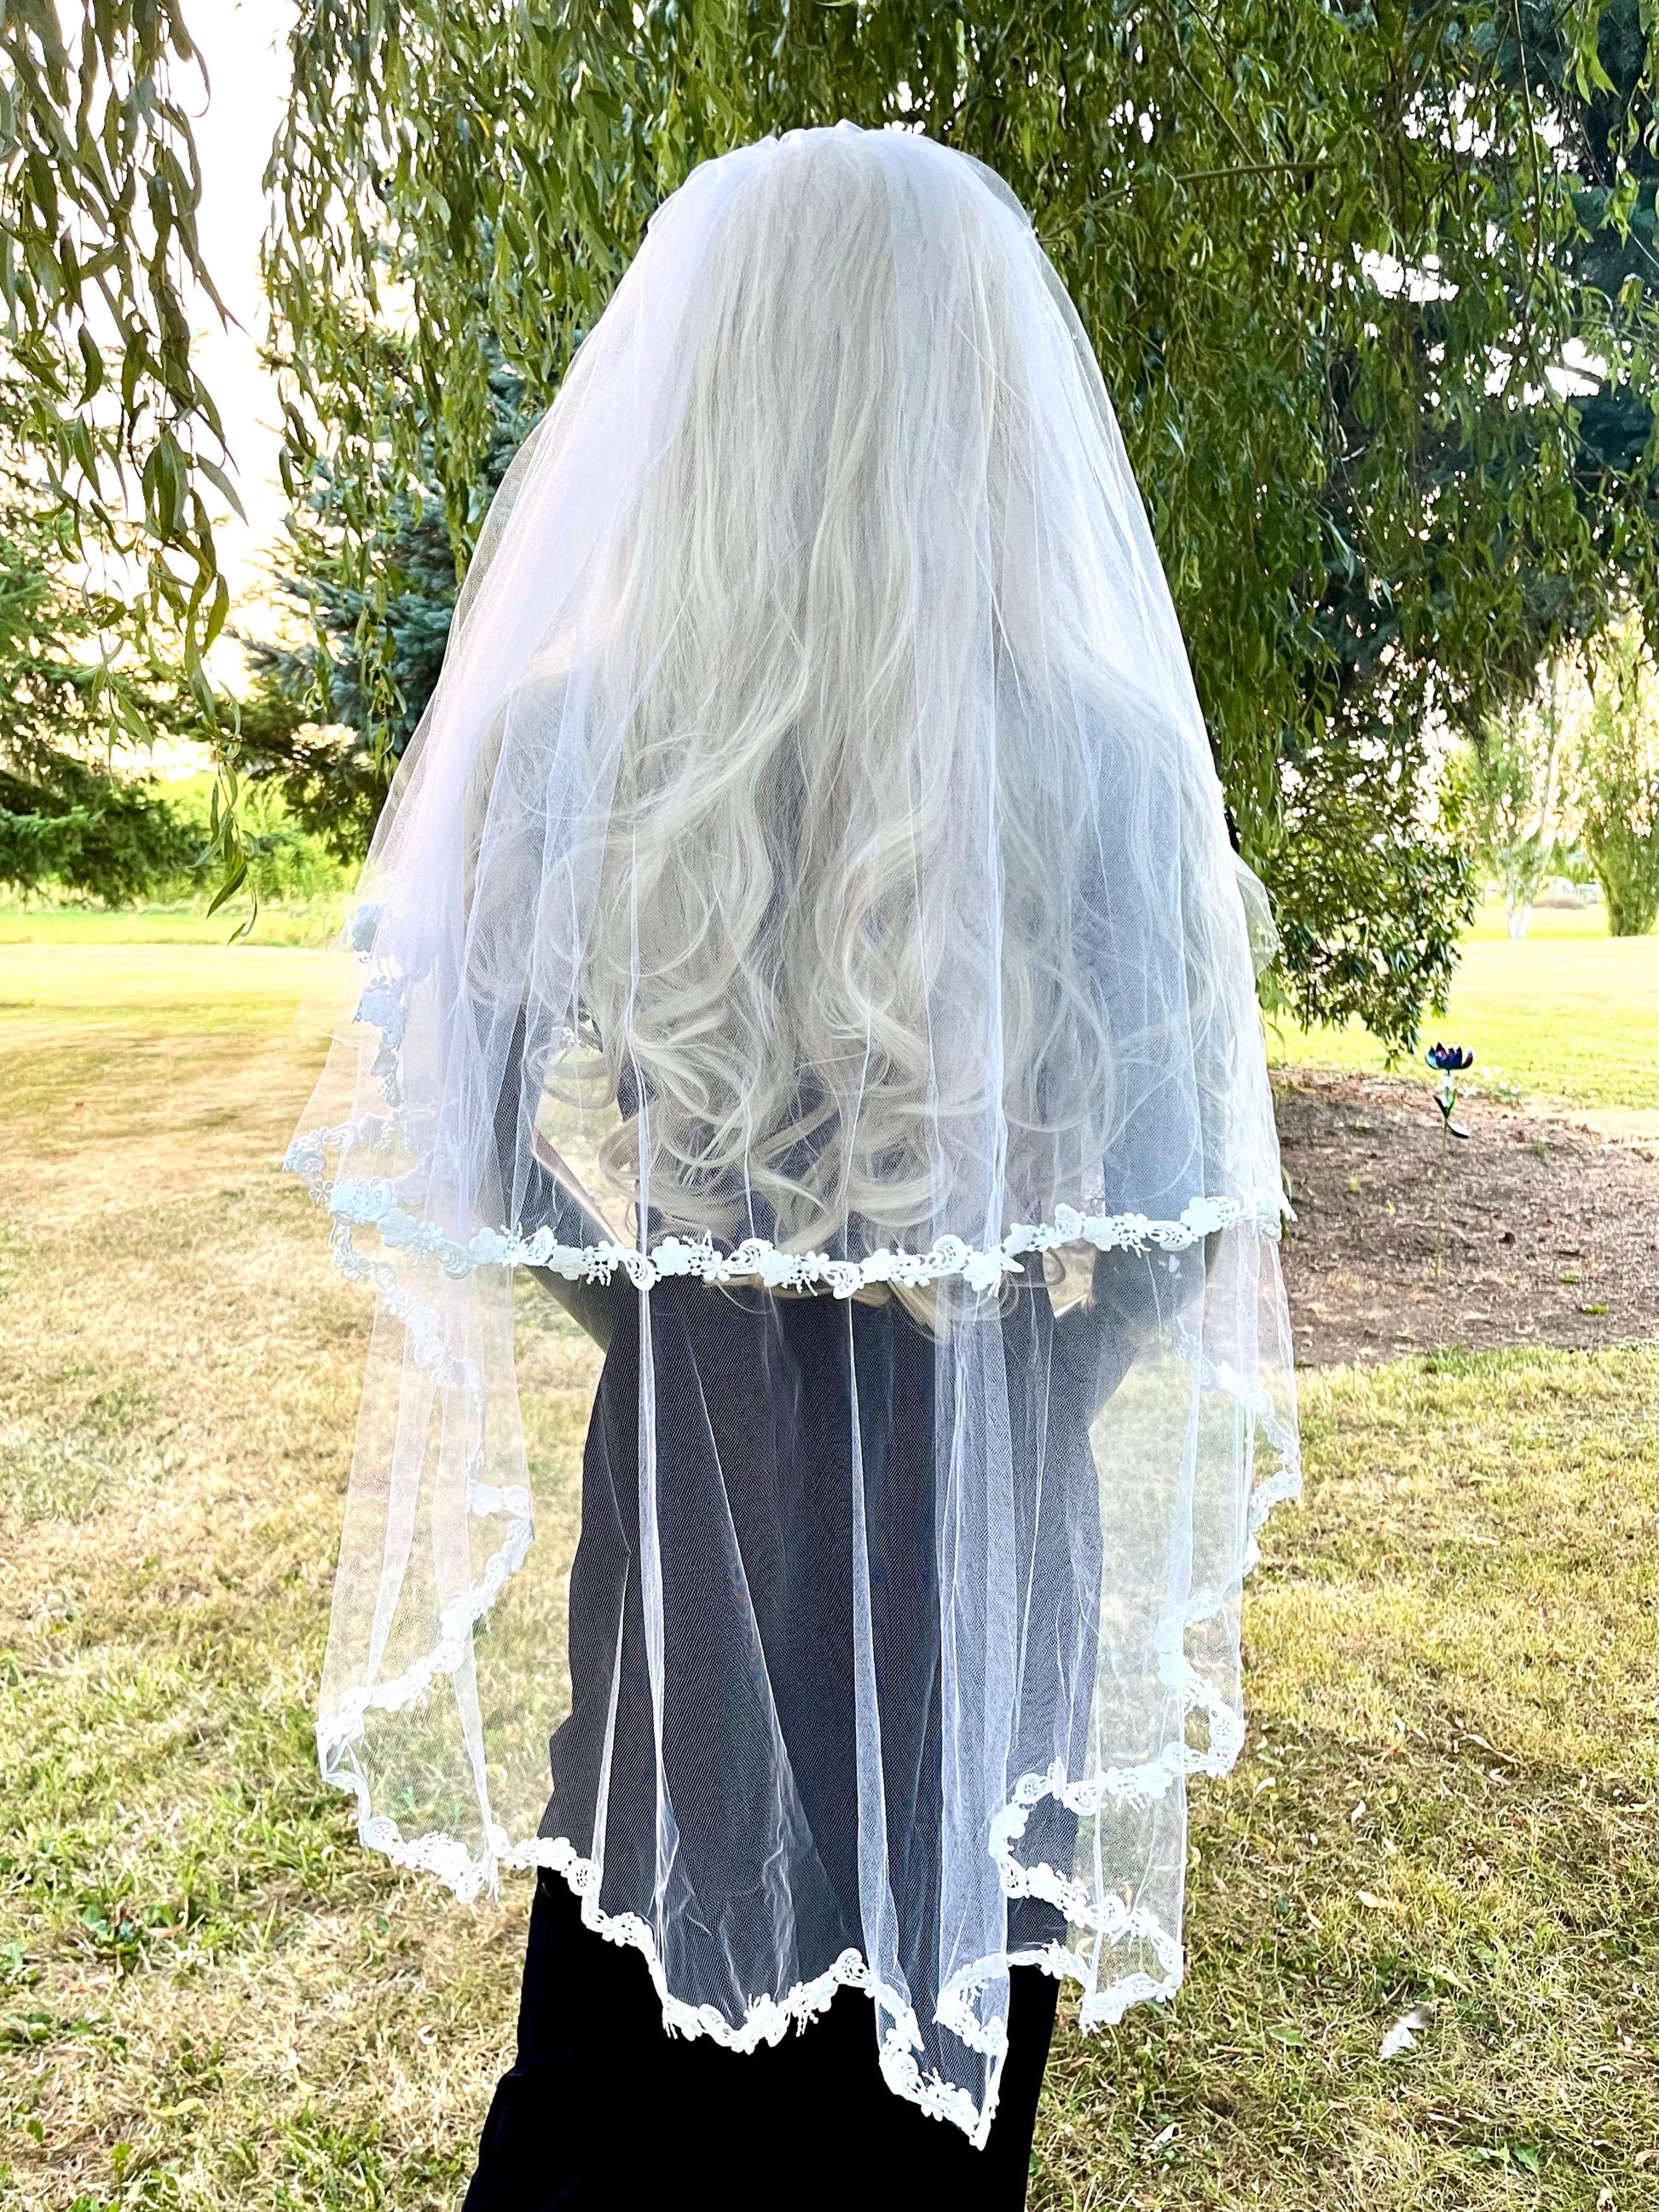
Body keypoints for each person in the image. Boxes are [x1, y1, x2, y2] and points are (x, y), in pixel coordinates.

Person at [287, 122, 1298, 2209]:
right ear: (979, 392)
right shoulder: (1104, 757)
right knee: (922, 2110)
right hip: (984, 1505)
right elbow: (1183, 1203)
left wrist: (651, 1317)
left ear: (708, 384)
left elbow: (465, 1135)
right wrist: (1029, 1378)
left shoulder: (581, 741)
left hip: (698, 1472)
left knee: (618, 2078)